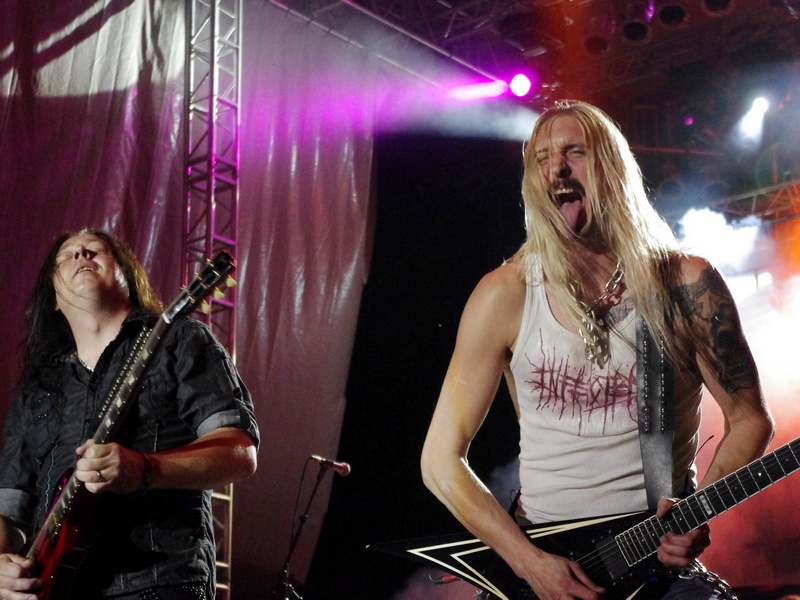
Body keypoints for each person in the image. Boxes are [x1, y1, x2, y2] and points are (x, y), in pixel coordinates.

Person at [420, 100, 774, 600]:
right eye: (542, 158)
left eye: (574, 152)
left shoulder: (684, 284)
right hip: (542, 562)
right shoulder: (505, 294)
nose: (557, 168)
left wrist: (697, 515)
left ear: (613, 168)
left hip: (654, 563)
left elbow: (750, 418)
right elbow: (439, 461)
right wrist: (530, 565)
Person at [0, 229, 259, 599]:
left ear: (128, 277)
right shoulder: (36, 389)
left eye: (97, 249)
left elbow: (239, 453)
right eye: (67, 255)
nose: (82, 253)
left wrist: (144, 469)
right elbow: (9, 511)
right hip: (53, 589)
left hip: (159, 582)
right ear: (53, 298)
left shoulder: (181, 340)